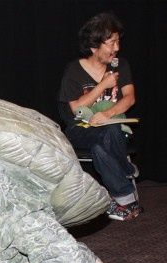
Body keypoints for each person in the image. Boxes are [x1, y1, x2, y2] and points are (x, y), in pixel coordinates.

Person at [58, 12, 142, 221]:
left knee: (102, 144)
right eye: (111, 43)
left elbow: (129, 98)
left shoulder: (120, 65)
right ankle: (125, 168)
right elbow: (75, 108)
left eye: (118, 42)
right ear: (95, 45)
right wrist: (102, 86)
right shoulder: (74, 70)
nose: (117, 48)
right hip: (80, 129)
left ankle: (124, 199)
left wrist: (108, 113)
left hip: (112, 129)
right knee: (105, 135)